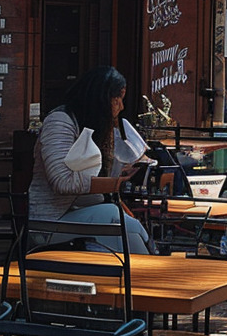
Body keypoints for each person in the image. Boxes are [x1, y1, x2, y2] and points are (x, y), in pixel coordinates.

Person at [28, 66, 154, 254]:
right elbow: (62, 182)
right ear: (100, 98)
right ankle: (144, 275)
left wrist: (123, 173)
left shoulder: (93, 125)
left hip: (80, 212)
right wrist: (113, 184)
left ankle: (146, 268)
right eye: (117, 98)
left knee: (131, 227)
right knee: (115, 218)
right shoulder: (60, 122)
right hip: (49, 221)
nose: (121, 106)